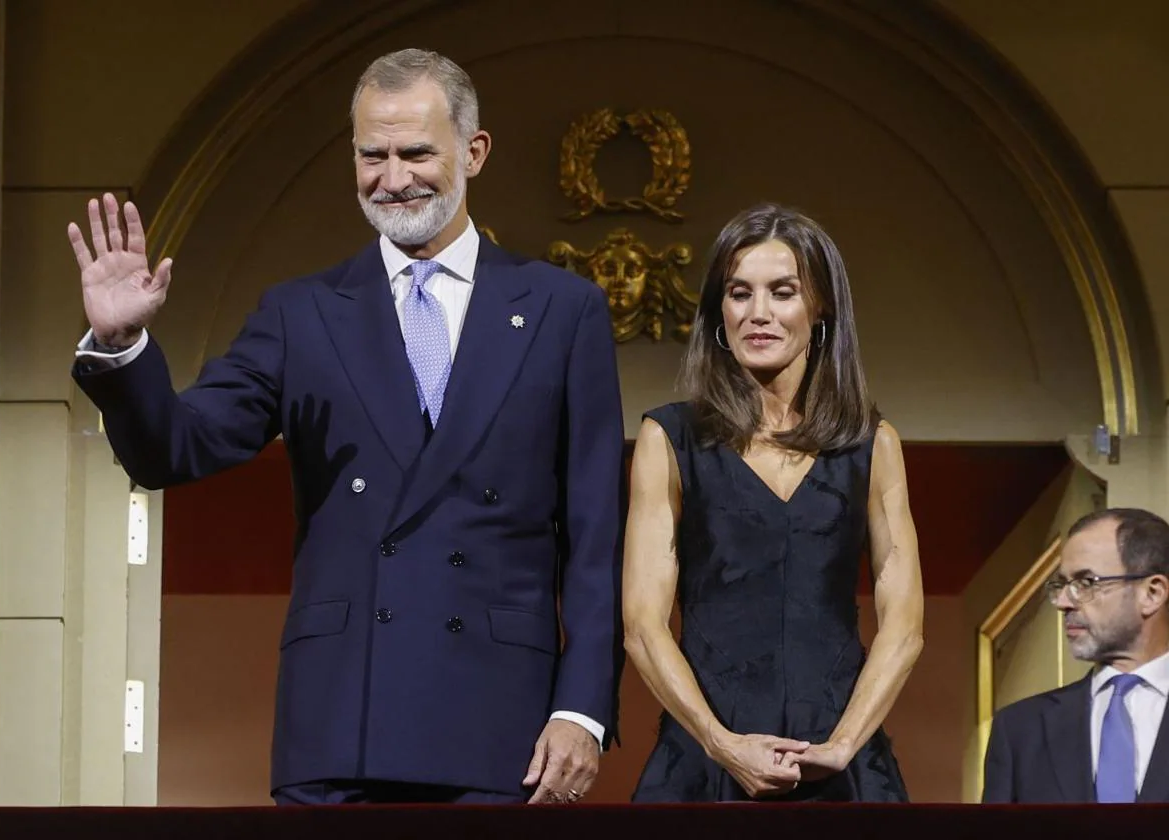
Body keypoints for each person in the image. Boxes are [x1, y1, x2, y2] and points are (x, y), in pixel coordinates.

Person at [66, 48, 624, 806]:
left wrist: (582, 708)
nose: (393, 179)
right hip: (341, 724)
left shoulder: (563, 310)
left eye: (417, 153)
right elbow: (176, 447)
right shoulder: (302, 314)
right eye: (373, 155)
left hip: (503, 725)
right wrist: (122, 347)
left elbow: (596, 538)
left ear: (474, 151)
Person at [622, 203, 923, 802]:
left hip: (841, 769)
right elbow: (642, 626)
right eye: (739, 293)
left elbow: (905, 626)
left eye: (782, 293)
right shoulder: (670, 439)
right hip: (706, 767)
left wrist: (843, 745)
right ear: (718, 310)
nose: (758, 313)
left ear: (820, 309)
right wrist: (722, 744)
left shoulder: (872, 444)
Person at [982, 508, 1169, 804]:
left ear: (1152, 593)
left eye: (1085, 583)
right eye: (1061, 585)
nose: (1063, 602)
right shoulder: (1019, 730)